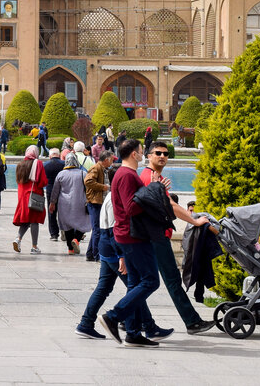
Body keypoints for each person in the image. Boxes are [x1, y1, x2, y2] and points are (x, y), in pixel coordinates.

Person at [140, 141, 214, 334]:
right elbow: (171, 206)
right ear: (149, 155)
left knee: (144, 280)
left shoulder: (155, 177)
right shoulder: (150, 177)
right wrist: (195, 221)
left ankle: (129, 316)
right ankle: (192, 321)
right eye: (158, 153)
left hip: (151, 236)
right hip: (156, 237)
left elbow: (167, 204)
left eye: (165, 153)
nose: (162, 156)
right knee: (171, 279)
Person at [99, 139, 162, 347]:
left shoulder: (125, 174)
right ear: (134, 154)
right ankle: (113, 316)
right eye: (142, 151)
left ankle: (133, 333)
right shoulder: (126, 175)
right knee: (151, 281)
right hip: (132, 235)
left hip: (129, 234)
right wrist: (152, 189)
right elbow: (131, 208)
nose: (144, 153)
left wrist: (152, 187)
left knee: (135, 283)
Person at [76, 192, 162, 339]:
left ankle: (86, 323)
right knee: (135, 289)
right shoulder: (115, 198)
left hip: (106, 247)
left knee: (104, 287)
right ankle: (147, 326)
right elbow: (113, 229)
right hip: (114, 250)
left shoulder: (110, 196)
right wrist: (121, 255)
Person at [49, 149, 89, 255]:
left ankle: (70, 249)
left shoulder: (61, 174)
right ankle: (76, 240)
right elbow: (88, 189)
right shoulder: (83, 174)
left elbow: (55, 191)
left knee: (67, 226)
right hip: (80, 202)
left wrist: (52, 203)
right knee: (84, 222)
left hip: (64, 204)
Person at [12, 145, 47, 255]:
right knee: (34, 220)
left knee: (26, 219)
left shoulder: (20, 164)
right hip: (34, 195)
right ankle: (34, 247)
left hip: (22, 196)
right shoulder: (38, 163)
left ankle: (18, 238)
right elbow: (43, 181)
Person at [84, 151, 114, 261]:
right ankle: (97, 255)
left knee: (97, 229)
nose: (112, 162)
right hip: (94, 202)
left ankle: (90, 253)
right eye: (111, 159)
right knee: (97, 229)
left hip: (99, 202)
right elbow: (88, 181)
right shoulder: (96, 168)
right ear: (106, 160)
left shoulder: (103, 169)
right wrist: (102, 187)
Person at [43, 152, 65, 241]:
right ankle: (65, 232)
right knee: (63, 212)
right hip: (63, 190)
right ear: (59, 155)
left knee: (51, 212)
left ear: (50, 155)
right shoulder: (64, 164)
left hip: (50, 189)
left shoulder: (45, 165)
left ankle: (54, 234)